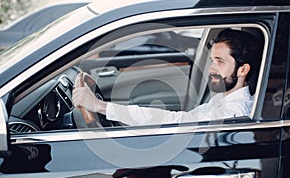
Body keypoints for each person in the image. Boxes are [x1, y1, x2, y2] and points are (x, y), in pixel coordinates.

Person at [72, 28, 262, 126]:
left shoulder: (234, 112)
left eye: (220, 61)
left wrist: (100, 107)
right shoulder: (223, 98)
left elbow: (177, 121)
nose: (211, 69)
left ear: (242, 70)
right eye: (212, 60)